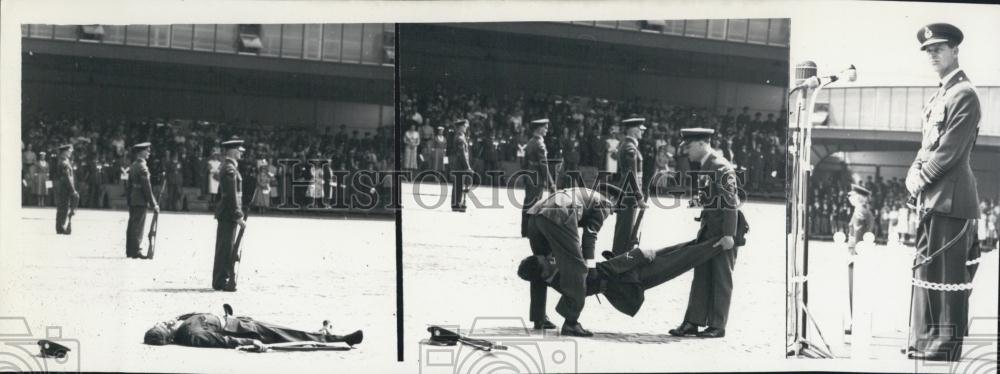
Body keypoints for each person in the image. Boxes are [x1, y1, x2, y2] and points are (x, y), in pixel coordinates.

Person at [904, 23, 982, 362]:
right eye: (928, 50)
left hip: (952, 198)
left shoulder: (965, 94)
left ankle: (945, 344)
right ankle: (923, 339)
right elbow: (927, 145)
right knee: (926, 269)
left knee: (948, 274)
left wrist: (921, 178)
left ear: (955, 51)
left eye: (939, 48)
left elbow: (949, 150)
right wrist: (912, 170)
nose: (932, 54)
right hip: (934, 198)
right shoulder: (941, 95)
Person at [668, 128, 743, 339]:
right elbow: (712, 197)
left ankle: (718, 325)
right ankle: (692, 322)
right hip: (709, 232)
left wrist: (729, 234)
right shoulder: (707, 166)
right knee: (701, 276)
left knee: (721, 278)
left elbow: (731, 203)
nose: (686, 152)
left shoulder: (720, 167)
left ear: (702, 144)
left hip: (722, 233)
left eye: (689, 147)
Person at [524, 185, 618, 336]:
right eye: (615, 210)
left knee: (541, 265)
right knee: (578, 269)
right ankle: (571, 323)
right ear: (613, 199)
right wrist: (591, 267)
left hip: (536, 214)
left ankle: (538, 317)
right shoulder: (605, 203)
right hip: (559, 214)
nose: (612, 213)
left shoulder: (586, 194)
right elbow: (590, 235)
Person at [143, 307, 363, 350]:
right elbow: (222, 341)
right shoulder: (190, 335)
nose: (164, 322)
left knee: (286, 331)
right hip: (244, 331)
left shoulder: (181, 325)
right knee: (288, 335)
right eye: (163, 326)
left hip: (239, 321)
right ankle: (341, 338)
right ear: (168, 336)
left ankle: (326, 334)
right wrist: (250, 341)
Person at [213, 138, 246, 292]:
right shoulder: (229, 169)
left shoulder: (229, 167)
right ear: (233, 151)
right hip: (228, 213)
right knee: (225, 248)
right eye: (239, 150)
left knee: (226, 247)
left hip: (227, 213)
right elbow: (231, 195)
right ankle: (221, 280)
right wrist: (238, 215)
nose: (241, 153)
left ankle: (222, 279)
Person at [611, 117, 647, 255]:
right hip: (629, 194)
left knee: (625, 230)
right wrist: (639, 198)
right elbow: (630, 175)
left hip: (627, 192)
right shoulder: (629, 147)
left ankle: (618, 261)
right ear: (632, 129)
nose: (642, 132)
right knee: (625, 232)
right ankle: (618, 263)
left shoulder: (627, 145)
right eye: (640, 129)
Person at [845, 184, 874, 335]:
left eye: (852, 195)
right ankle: (856, 322)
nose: (849, 197)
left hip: (856, 255)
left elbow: (857, 236)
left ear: (859, 197)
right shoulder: (862, 211)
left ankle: (855, 323)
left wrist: (853, 255)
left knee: (855, 290)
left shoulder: (859, 213)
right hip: (859, 254)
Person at [521, 118, 556, 238]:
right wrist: (551, 183)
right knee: (535, 204)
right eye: (545, 128)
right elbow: (544, 165)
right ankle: (531, 231)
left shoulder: (531, 141)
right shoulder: (539, 143)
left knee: (528, 202)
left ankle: (525, 230)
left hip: (530, 176)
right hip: (537, 178)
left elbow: (524, 163)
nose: (546, 130)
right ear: (539, 128)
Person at [125, 142, 158, 259]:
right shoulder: (143, 167)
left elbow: (128, 186)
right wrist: (154, 204)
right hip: (140, 199)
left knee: (132, 225)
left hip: (134, 198)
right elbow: (147, 188)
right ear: (141, 152)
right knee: (138, 226)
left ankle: (130, 250)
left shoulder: (134, 165)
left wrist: (129, 199)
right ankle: (136, 251)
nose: (149, 153)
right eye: (147, 151)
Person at [53, 144, 79, 235]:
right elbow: (67, 177)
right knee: (63, 207)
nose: (70, 153)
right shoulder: (63, 162)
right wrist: (72, 190)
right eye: (69, 151)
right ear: (65, 152)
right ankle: (60, 227)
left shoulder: (66, 160)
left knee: (65, 206)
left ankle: (61, 226)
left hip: (65, 187)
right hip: (64, 187)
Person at [450, 120, 473, 212]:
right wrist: (467, 166)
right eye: (464, 126)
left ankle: (456, 204)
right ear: (460, 127)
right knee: (458, 185)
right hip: (460, 165)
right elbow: (462, 154)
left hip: (459, 164)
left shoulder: (462, 136)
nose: (466, 128)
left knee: (458, 185)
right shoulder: (460, 137)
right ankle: (456, 204)